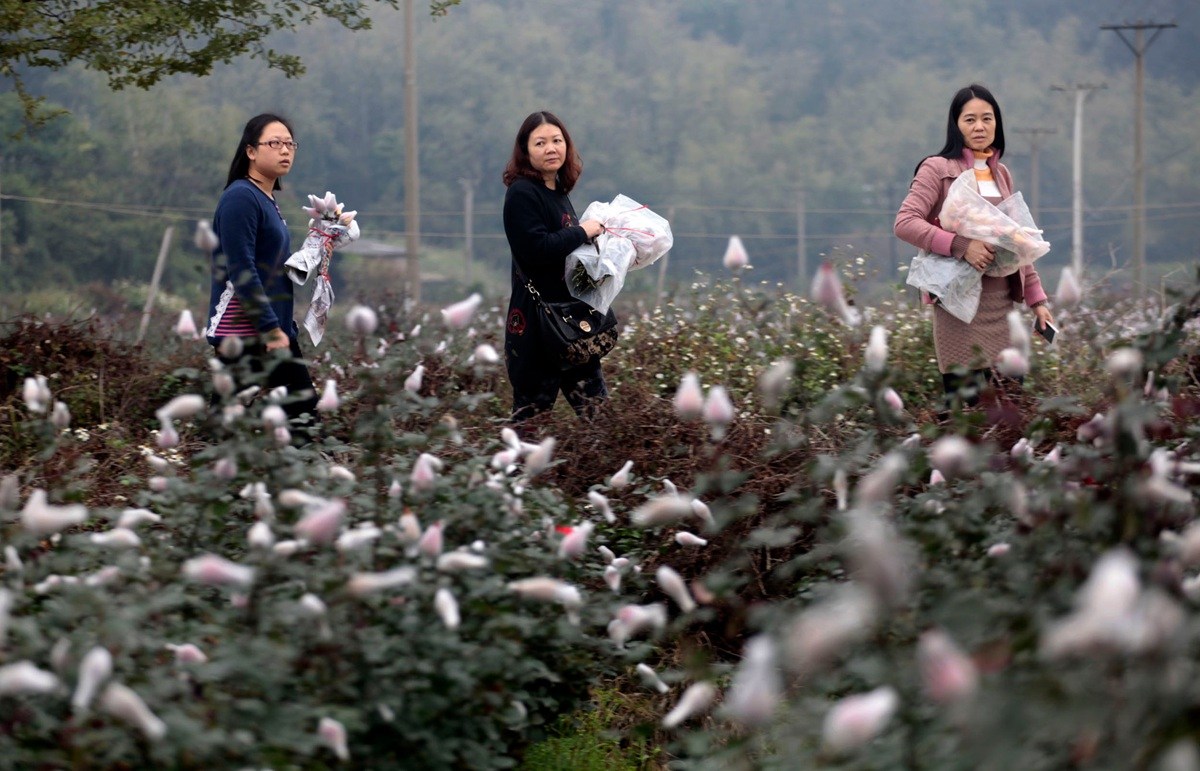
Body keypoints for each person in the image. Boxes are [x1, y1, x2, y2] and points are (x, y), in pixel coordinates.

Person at [894, 84, 1055, 408]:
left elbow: (1016, 240)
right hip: (958, 307)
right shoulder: (937, 169)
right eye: (970, 120)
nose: (979, 127)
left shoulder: (1001, 174)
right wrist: (960, 245)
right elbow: (905, 222)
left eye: (987, 118)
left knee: (1010, 406)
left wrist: (1037, 300)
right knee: (966, 409)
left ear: (997, 123)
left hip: (1002, 306)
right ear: (956, 125)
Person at [204, 113, 318, 430]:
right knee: (300, 416)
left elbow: (271, 268)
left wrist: (320, 242)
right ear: (251, 151)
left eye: (290, 144)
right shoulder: (241, 197)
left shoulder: (266, 198)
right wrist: (270, 328)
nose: (285, 150)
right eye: (275, 143)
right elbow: (241, 269)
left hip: (270, 329)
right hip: (245, 330)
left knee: (298, 416)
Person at [501, 111, 610, 422]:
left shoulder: (558, 193)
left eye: (557, 140)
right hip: (538, 328)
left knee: (599, 418)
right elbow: (537, 249)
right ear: (525, 151)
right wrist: (582, 231)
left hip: (570, 323)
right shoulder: (522, 193)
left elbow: (565, 251)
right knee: (529, 425)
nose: (551, 148)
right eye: (540, 143)